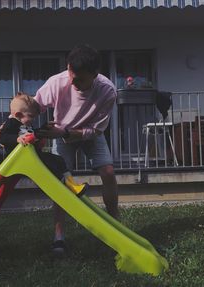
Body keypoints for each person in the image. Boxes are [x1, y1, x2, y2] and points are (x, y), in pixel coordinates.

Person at [34, 44, 119, 253]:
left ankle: (115, 224)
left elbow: (96, 131)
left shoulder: (107, 91)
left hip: (88, 134)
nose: (72, 81)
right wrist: (13, 120)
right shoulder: (57, 82)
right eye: (70, 73)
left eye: (79, 78)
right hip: (62, 135)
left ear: (94, 75)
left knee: (108, 172)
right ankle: (59, 237)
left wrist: (65, 133)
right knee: (60, 184)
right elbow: (33, 106)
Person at [0, 93, 88, 232]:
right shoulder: (12, 123)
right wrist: (16, 139)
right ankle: (65, 183)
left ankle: (72, 185)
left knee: (58, 159)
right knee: (52, 164)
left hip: (33, 156)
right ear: (19, 114)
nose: (32, 120)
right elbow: (3, 137)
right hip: (20, 160)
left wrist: (45, 128)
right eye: (31, 117)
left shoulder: (25, 124)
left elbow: (35, 133)